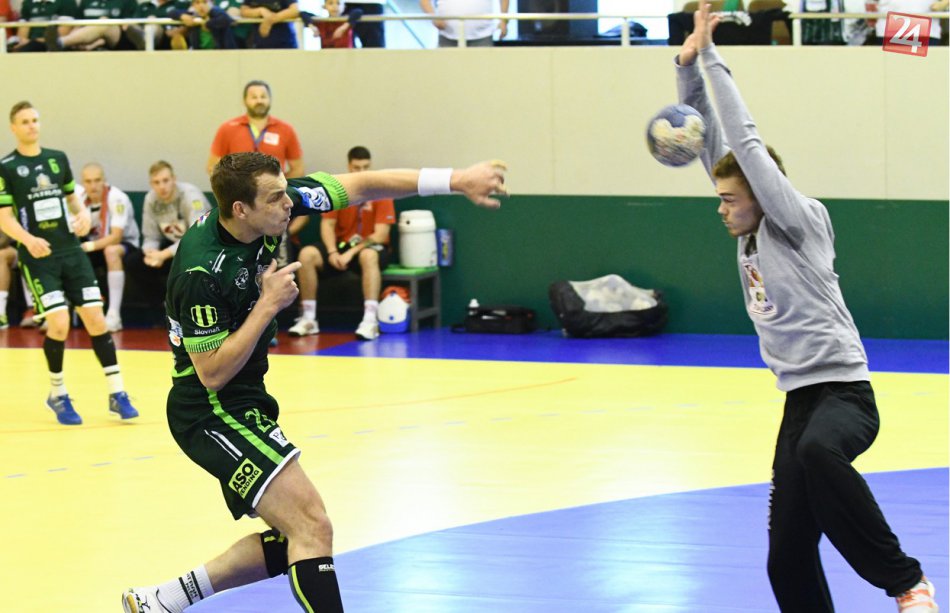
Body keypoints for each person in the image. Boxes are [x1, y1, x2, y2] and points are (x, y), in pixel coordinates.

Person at [120, 151, 506, 613]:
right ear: (240, 209)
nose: (290, 203)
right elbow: (212, 372)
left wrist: (456, 178)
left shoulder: (269, 206)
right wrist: (267, 306)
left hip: (245, 396)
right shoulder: (201, 272)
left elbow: (361, 186)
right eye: (276, 198)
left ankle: (163, 600)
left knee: (295, 535)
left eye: (287, 192)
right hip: (209, 409)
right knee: (312, 526)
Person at [675, 5, 937, 612]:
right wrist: (686, 68)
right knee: (786, 555)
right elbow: (709, 142)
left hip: (845, 394)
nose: (721, 207)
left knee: (820, 453)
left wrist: (712, 56)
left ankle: (907, 582)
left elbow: (742, 140)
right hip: (799, 400)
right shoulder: (745, 233)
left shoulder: (796, 221)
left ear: (763, 193)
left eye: (730, 198)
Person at [0, 101, 139, 425]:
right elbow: (4, 217)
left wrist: (82, 215)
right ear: (14, 127)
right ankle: (58, 394)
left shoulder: (57, 158)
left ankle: (117, 393)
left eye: (35, 119)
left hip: (71, 252)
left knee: (96, 320)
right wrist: (28, 240)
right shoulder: (7, 167)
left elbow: (73, 200)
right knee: (59, 323)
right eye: (25, 121)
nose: (32, 125)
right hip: (39, 257)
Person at [289, 146, 393, 340]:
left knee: (368, 255)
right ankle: (308, 318)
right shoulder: (339, 189)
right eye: (357, 167)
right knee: (307, 255)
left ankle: (370, 320)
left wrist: (351, 253)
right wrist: (332, 252)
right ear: (349, 166)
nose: (361, 171)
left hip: (367, 249)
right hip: (340, 248)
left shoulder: (381, 191)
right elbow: (328, 225)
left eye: (366, 167)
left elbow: (380, 234)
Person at [127, 160, 211, 317]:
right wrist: (151, 253)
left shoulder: (191, 195)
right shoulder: (150, 199)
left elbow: (196, 237)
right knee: (134, 262)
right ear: (151, 184)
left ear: (174, 179)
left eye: (165, 180)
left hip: (200, 248)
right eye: (156, 182)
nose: (162, 186)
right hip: (171, 247)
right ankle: (162, 306)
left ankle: (187, 310)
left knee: (190, 258)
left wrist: (163, 255)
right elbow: (151, 236)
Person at [74, 163, 141, 333]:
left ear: (104, 180)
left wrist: (87, 246)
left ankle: (113, 315)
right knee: (68, 254)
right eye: (88, 181)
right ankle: (69, 312)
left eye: (97, 180)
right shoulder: (79, 199)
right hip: (93, 243)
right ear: (82, 182)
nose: (93, 186)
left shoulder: (117, 198)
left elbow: (116, 236)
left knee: (110, 251)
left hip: (125, 244)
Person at [46, 0, 139, 51]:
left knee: (104, 22)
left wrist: (95, 43)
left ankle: (60, 43)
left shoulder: (128, 2)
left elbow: (128, 28)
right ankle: (63, 43)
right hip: (85, 39)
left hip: (115, 41)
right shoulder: (86, 2)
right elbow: (78, 25)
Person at [419, 0, 509, 47]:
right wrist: (434, 18)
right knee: (446, 74)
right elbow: (424, 1)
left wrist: (503, 21)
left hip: (482, 36)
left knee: (482, 74)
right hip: (448, 36)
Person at [10, 0, 77, 52]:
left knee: (32, 46)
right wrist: (23, 42)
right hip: (29, 45)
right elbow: (22, 34)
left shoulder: (66, 2)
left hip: (54, 45)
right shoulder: (28, 2)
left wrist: (31, 42)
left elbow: (62, 35)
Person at [171, 0, 238, 49]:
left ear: (211, 4)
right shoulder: (193, 15)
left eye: (205, 2)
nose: (201, 6)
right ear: (193, 6)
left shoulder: (216, 13)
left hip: (222, 54)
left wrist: (206, 24)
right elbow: (172, 13)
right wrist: (182, 16)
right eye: (197, 2)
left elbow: (225, 18)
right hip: (199, 54)